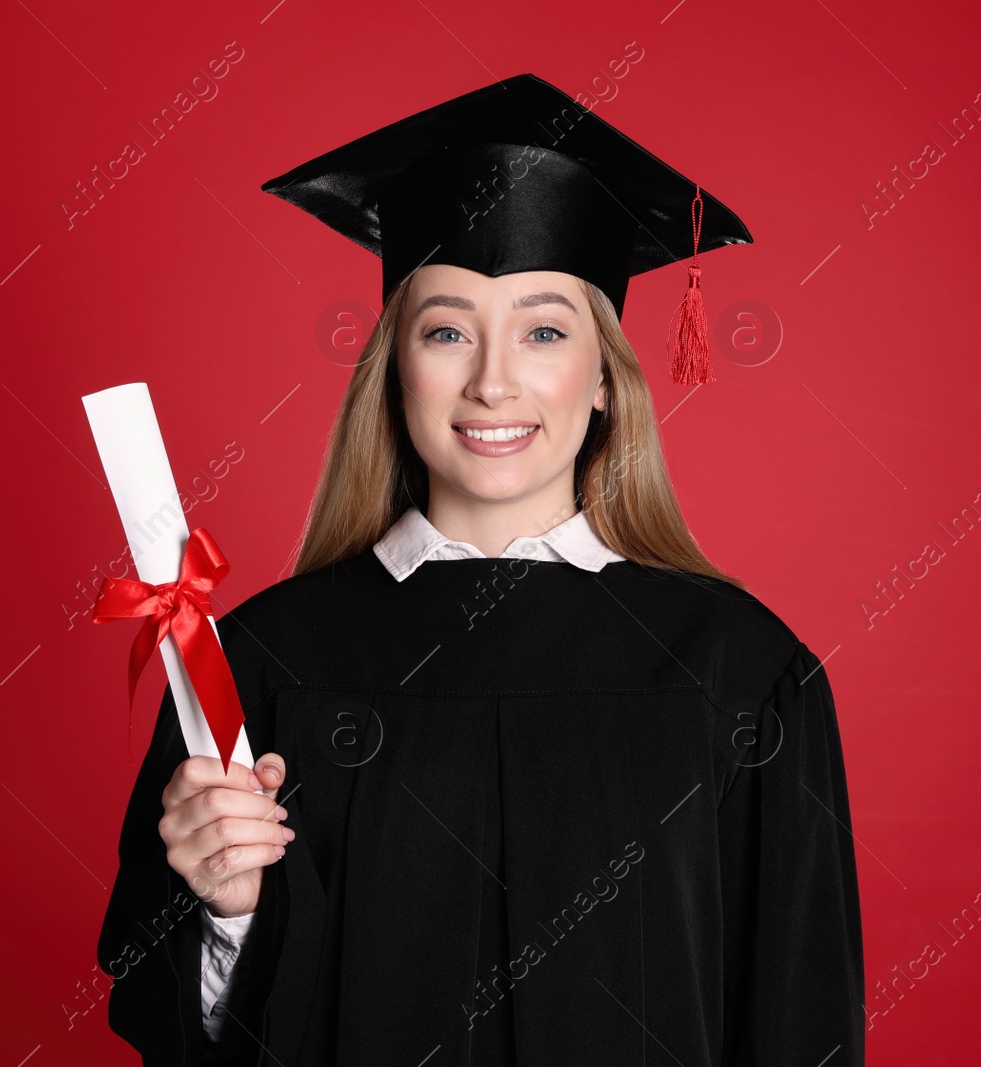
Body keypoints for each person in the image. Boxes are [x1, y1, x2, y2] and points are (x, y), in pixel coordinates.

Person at [96, 73, 864, 1066]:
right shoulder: (258, 663)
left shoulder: (742, 672)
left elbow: (803, 1028)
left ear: (601, 378)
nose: (492, 379)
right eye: (446, 330)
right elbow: (173, 1030)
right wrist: (230, 917)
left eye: (544, 331)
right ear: (396, 370)